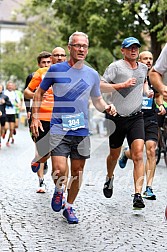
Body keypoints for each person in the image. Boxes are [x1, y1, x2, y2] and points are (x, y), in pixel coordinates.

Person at [30, 31, 117, 224]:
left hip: (81, 130)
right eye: (77, 45)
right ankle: (59, 189)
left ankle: (69, 207)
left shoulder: (92, 74)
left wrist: (107, 108)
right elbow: (39, 93)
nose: (81, 49)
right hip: (59, 128)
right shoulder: (55, 70)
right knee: (60, 169)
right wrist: (35, 117)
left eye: (84, 46)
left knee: (77, 172)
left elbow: (98, 100)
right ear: (70, 48)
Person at [100, 37, 149, 209]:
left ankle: (137, 194)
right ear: (123, 50)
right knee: (113, 155)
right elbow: (101, 86)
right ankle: (109, 177)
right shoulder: (115, 67)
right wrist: (121, 85)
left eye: (136, 48)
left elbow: (143, 82)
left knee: (138, 154)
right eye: (129, 48)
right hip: (117, 118)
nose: (133, 50)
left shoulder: (143, 68)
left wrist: (147, 91)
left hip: (136, 117)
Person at [118, 51, 166, 200]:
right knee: (137, 153)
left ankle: (149, 187)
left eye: (151, 59)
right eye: (145, 58)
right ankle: (126, 154)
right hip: (135, 118)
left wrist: (161, 106)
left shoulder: (154, 77)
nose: (149, 61)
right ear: (139, 60)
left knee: (152, 150)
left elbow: (158, 96)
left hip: (151, 117)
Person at [24, 49, 67, 193]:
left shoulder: (68, 72)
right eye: (46, 62)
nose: (48, 64)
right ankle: (40, 175)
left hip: (60, 119)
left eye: (50, 61)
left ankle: (59, 191)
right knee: (43, 150)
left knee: (59, 153)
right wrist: (38, 97)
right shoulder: (40, 73)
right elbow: (27, 93)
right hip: (42, 117)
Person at [4, 81, 20, 146]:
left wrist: (18, 105)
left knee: (11, 129)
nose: (10, 87)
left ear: (13, 87)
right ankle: (3, 132)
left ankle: (8, 141)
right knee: (6, 127)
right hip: (6, 112)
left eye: (11, 85)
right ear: (7, 86)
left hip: (13, 113)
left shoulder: (15, 94)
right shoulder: (4, 93)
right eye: (9, 85)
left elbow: (18, 102)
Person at [0, 83, 12, 148]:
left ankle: (3, 133)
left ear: (2, 89)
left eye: (0, 88)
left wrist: (5, 102)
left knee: (4, 128)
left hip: (3, 114)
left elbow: (10, 104)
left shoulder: (5, 96)